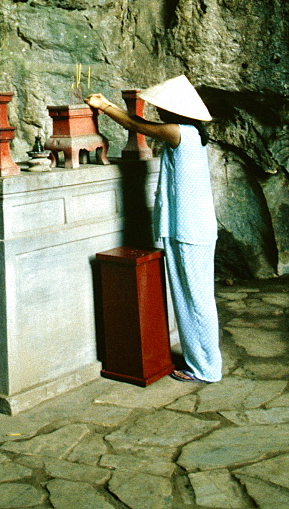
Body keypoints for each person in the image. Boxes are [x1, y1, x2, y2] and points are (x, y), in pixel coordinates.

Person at [86, 75, 222, 383]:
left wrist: (104, 105)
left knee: (195, 299)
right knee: (192, 298)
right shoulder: (192, 133)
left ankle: (207, 368)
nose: (159, 112)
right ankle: (201, 362)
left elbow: (137, 127)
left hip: (190, 230)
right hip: (190, 227)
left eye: (163, 107)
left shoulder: (179, 132)